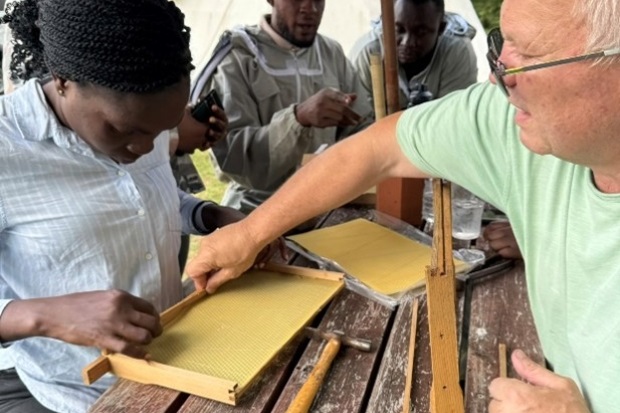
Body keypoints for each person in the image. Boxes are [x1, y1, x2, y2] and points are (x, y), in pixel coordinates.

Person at [186, 0, 619, 411]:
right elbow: (376, 149)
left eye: (528, 55)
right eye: (499, 43)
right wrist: (250, 231)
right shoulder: (510, 120)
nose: (499, 76)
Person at [0, 0, 247, 412]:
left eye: (161, 130)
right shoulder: (7, 150)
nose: (146, 147)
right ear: (63, 82)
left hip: (169, 366)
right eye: (124, 130)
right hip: (68, 393)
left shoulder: (138, 119)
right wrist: (49, 315)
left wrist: (209, 215)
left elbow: (147, 200)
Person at [197, 0, 374, 213]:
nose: (310, 9)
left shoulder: (331, 53)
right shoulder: (239, 57)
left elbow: (363, 128)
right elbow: (233, 158)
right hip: (255, 211)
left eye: (318, 0)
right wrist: (298, 119)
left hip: (323, 208)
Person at [349, 0, 478, 109]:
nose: (407, 42)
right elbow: (358, 123)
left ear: (441, 29)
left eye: (420, 32)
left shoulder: (457, 52)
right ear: (386, 22)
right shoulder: (368, 54)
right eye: (399, 30)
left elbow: (454, 118)